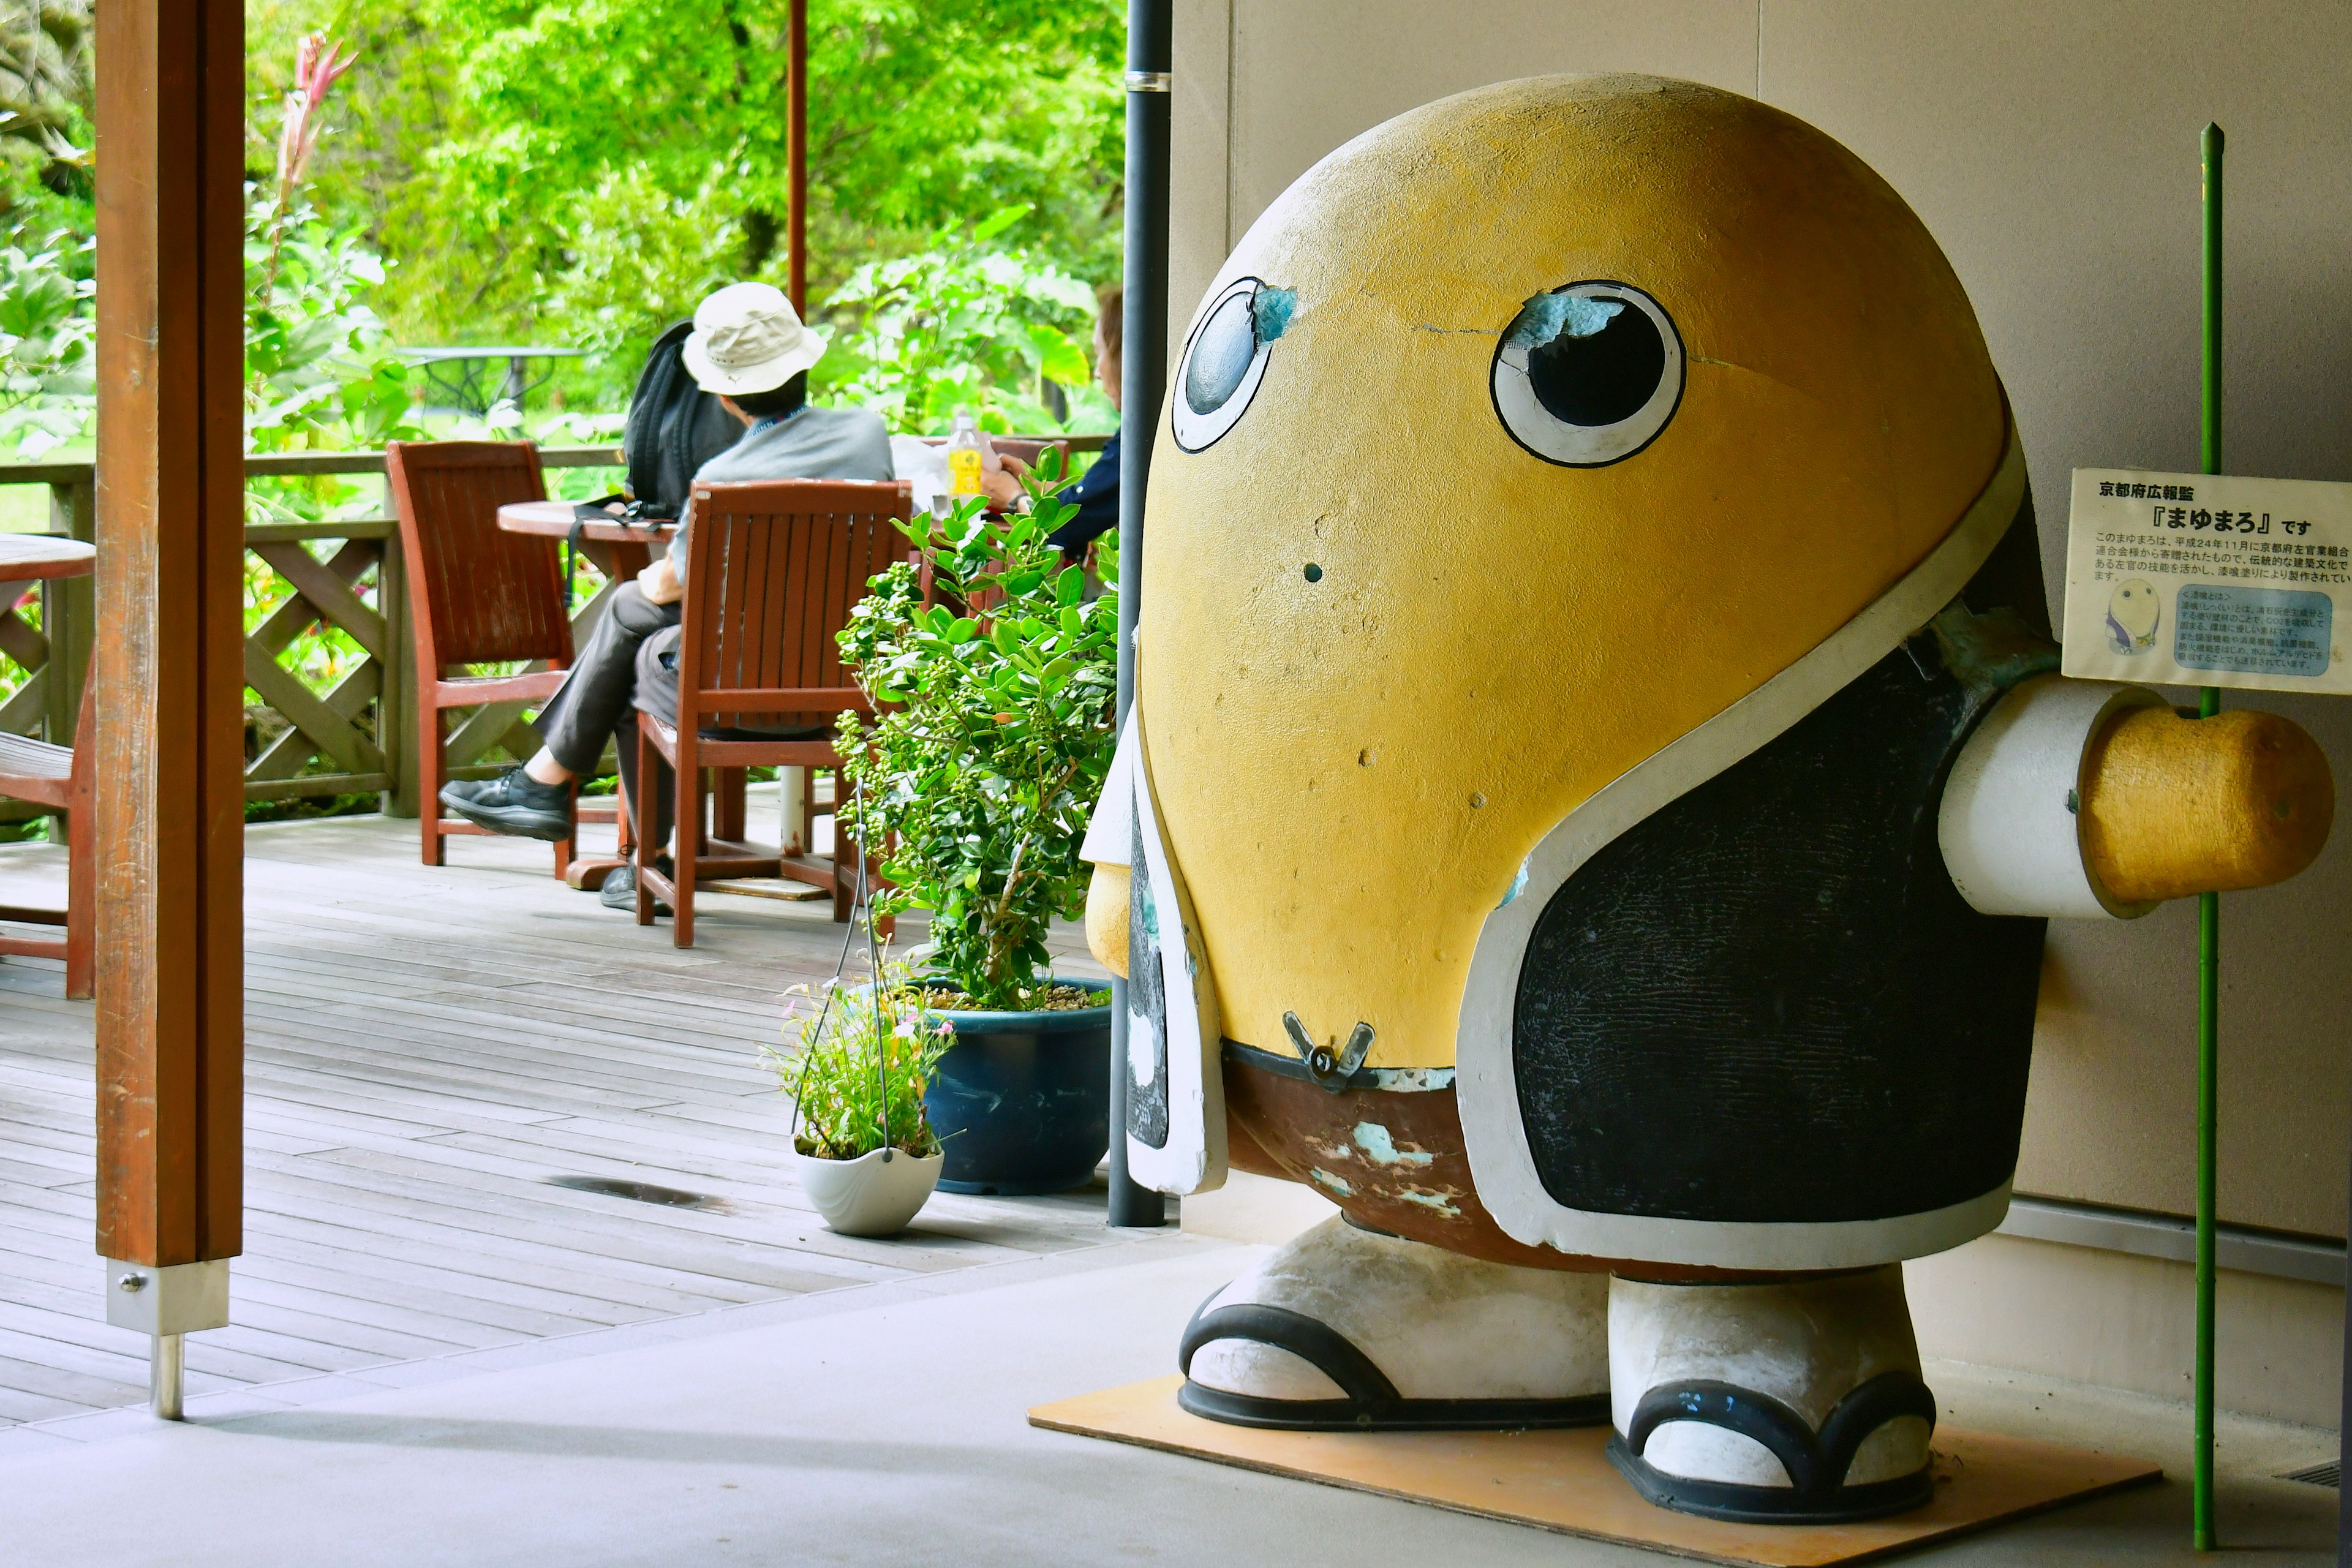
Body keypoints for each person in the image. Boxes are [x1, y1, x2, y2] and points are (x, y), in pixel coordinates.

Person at [439, 281, 893, 909]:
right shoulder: (870, 437)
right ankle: (556, 793)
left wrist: (641, 587)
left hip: (731, 693)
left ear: (725, 396)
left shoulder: (724, 478)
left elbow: (672, 582)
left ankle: (624, 845)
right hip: (847, 685)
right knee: (639, 631)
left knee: (637, 642)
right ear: (804, 364)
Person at [979, 288, 1122, 558]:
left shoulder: (1140, 438)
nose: (1097, 371)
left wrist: (1013, 499)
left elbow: (1067, 526)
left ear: (1120, 356)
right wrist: (1034, 486)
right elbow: (1085, 505)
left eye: (1098, 353)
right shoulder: (1151, 428)